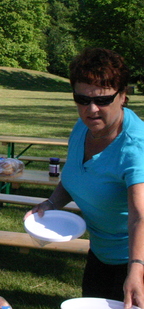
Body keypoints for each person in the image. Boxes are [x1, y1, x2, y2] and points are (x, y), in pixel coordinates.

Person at [26, 48, 144, 307]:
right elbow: (74, 175)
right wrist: (52, 204)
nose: (91, 109)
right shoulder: (83, 127)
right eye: (81, 99)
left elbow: (140, 214)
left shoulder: (135, 147)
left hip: (136, 259)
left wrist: (136, 269)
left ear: (123, 96)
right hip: (100, 251)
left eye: (102, 100)